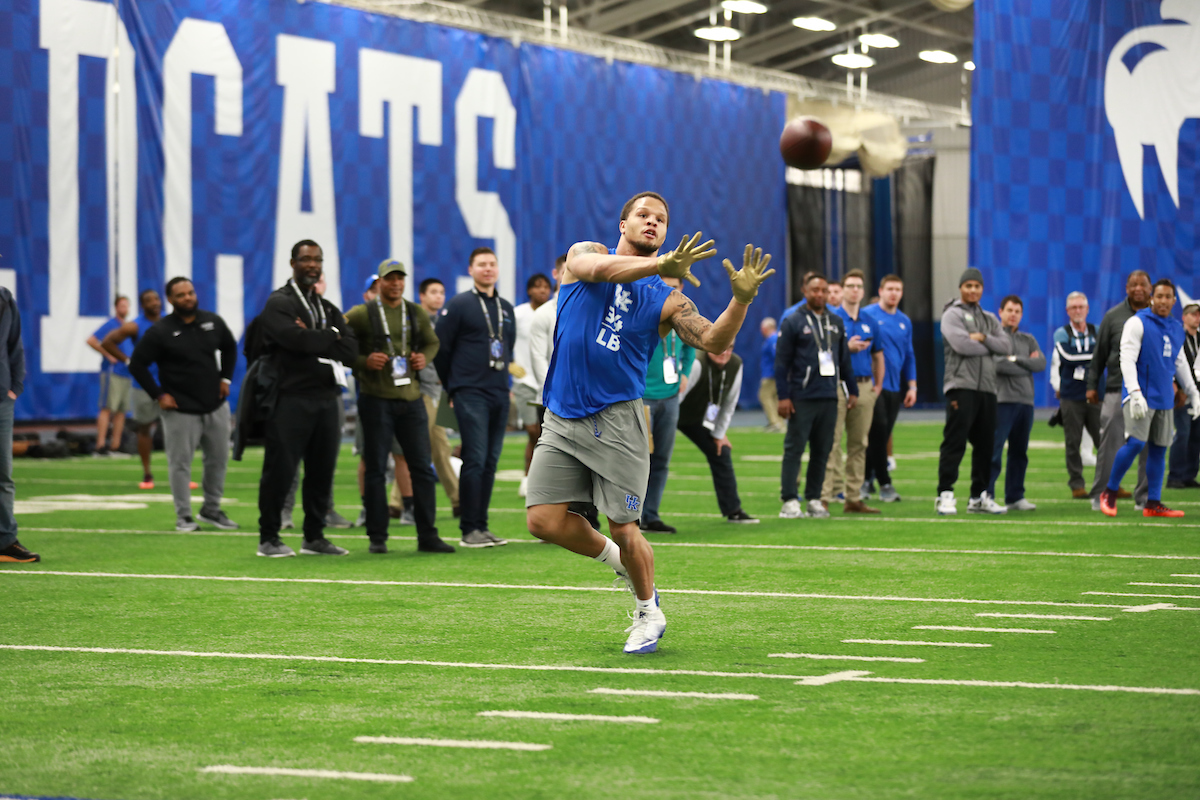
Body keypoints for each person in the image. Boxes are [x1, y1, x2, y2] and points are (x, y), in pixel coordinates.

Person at [525, 190, 773, 655]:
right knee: (542, 520)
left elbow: (714, 339)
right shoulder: (587, 254)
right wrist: (662, 265)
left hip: (618, 419)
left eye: (660, 218)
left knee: (625, 525)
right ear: (623, 225)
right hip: (560, 413)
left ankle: (647, 611)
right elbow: (598, 272)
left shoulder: (668, 298)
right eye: (643, 215)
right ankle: (620, 562)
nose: (652, 222)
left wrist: (740, 300)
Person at [255, 240, 359, 557]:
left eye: (317, 259)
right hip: (290, 397)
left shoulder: (324, 306)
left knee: (322, 470)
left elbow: (351, 351)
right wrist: (329, 336)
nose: (313, 265)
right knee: (281, 470)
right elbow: (293, 339)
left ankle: (314, 535)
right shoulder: (280, 303)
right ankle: (268, 537)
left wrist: (317, 338)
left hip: (327, 398)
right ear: (292, 263)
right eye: (306, 259)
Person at [345, 260, 453, 554]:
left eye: (399, 279)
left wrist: (423, 359)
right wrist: (362, 361)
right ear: (378, 283)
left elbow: (432, 343)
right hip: (376, 399)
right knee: (376, 468)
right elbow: (340, 343)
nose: (395, 284)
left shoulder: (413, 311)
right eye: (389, 279)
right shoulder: (362, 314)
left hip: (411, 399)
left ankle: (427, 535)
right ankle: (377, 536)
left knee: (421, 467)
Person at [127, 278, 239, 531]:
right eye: (181, 295)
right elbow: (137, 364)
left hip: (215, 404)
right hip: (180, 409)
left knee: (218, 459)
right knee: (180, 463)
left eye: (190, 293)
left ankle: (211, 510)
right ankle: (184, 516)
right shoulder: (160, 331)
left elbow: (230, 348)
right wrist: (158, 395)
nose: (187, 298)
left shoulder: (212, 321)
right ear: (170, 300)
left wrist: (226, 378)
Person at [433, 247, 517, 549]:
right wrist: (453, 386)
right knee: (475, 457)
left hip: (498, 390)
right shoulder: (458, 305)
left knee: (491, 461)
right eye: (481, 264)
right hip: (469, 391)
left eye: (492, 264)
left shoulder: (506, 308)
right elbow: (441, 350)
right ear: (471, 270)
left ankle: (482, 525)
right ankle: (469, 529)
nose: (487, 269)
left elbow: (508, 347)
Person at [1100, 279, 1200, 517]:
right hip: (1140, 397)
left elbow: (1179, 362)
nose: (1163, 301)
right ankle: (1109, 492)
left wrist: (1194, 391)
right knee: (1135, 443)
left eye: (1168, 297)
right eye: (1160, 296)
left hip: (1164, 397)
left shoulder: (1176, 327)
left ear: (1174, 301)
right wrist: (1134, 392)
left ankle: (1152, 503)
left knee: (1159, 449)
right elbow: (1126, 358)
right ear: (1151, 298)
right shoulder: (1137, 323)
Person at [776, 273, 857, 520]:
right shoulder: (792, 321)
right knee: (795, 449)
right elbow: (781, 363)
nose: (820, 294)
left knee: (823, 450)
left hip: (829, 396)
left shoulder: (836, 321)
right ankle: (789, 500)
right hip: (802, 396)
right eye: (815, 290)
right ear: (805, 291)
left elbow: (844, 359)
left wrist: (852, 389)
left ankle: (814, 499)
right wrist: (783, 396)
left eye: (823, 290)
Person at [934, 268, 1012, 515]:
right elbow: (961, 345)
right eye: (968, 285)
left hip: (988, 388)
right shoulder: (951, 314)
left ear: (982, 289)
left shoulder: (989, 318)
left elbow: (1005, 345)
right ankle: (945, 494)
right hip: (961, 387)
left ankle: (978, 497)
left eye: (977, 286)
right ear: (961, 288)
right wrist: (989, 345)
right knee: (955, 442)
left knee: (986, 445)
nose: (973, 290)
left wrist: (982, 339)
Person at [1088, 271, 1153, 510]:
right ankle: (1100, 494)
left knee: (1150, 445)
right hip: (1117, 388)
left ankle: (1145, 497)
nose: (1138, 288)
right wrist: (1091, 386)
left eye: (1142, 284)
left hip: (1150, 391)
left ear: (1150, 288)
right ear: (1126, 288)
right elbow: (1099, 355)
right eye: (1133, 284)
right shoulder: (1113, 316)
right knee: (1110, 444)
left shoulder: (1159, 317)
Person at [821, 269, 884, 513]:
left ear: (863, 291)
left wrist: (877, 387)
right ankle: (824, 497)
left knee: (859, 444)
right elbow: (823, 354)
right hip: (837, 385)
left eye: (859, 286)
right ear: (843, 290)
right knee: (831, 442)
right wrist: (846, 348)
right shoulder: (831, 318)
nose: (855, 290)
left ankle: (853, 497)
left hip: (864, 385)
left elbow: (879, 355)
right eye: (850, 286)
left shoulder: (870, 321)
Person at [639, 275, 695, 534]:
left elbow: (691, 346)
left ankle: (650, 514)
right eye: (666, 284)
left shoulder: (685, 313)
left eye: (676, 285)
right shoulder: (645, 310)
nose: (671, 289)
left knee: (661, 459)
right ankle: (631, 515)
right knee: (639, 460)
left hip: (670, 397)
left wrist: (684, 373)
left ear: (682, 288)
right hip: (643, 397)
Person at [678, 345, 756, 522]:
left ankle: (733, 510)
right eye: (720, 347)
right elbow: (677, 398)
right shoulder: (697, 363)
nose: (725, 353)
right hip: (672, 413)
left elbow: (730, 403)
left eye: (729, 348)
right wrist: (661, 430)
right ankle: (646, 516)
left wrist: (719, 434)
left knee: (721, 451)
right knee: (654, 458)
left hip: (698, 419)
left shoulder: (735, 364)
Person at [102, 289, 167, 489]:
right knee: (145, 429)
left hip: (169, 384)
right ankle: (147, 473)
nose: (154, 303)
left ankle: (180, 474)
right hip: (143, 385)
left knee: (177, 430)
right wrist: (128, 360)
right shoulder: (135, 326)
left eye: (156, 299)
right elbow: (107, 342)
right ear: (142, 305)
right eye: (149, 300)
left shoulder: (170, 321)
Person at [862, 274, 917, 503]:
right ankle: (884, 483)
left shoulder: (904, 321)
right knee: (879, 431)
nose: (894, 293)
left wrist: (912, 386)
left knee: (881, 436)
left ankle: (866, 480)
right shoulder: (867, 315)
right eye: (890, 289)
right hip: (874, 386)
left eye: (898, 289)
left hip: (895, 386)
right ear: (881, 290)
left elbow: (910, 355)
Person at [989, 295, 1046, 511]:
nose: (1013, 315)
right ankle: (987, 494)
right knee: (995, 451)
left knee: (1019, 452)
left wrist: (1015, 360)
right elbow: (997, 366)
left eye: (1017, 312)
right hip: (1003, 401)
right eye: (1009, 310)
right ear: (1000, 312)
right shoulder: (994, 338)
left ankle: (1014, 496)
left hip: (1026, 402)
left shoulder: (1028, 339)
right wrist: (1025, 364)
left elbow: (1040, 363)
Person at [1050, 291, 1102, 498]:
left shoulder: (1097, 330)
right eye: (1074, 307)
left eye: (1081, 307)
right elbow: (1068, 358)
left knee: (1103, 440)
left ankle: (1109, 483)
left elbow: (1106, 355)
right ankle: (1077, 485)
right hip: (1071, 395)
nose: (1078, 311)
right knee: (1073, 441)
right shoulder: (1062, 333)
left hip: (1095, 394)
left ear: (1088, 309)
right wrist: (1094, 357)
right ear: (1067, 311)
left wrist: (1094, 358)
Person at [416, 277, 460, 516]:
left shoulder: (444, 321)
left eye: (442, 292)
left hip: (441, 390)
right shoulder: (414, 320)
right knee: (432, 445)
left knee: (437, 445)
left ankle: (397, 502)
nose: (439, 296)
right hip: (422, 389)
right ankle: (457, 499)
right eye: (433, 292)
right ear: (422, 295)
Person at [0, 283, 34, 564]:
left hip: (1, 398)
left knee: (3, 474)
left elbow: (15, 344)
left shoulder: (5, 298)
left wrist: (14, 387)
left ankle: (5, 540)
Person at [513, 273, 553, 497]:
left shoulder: (553, 312)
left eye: (545, 286)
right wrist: (510, 365)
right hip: (525, 381)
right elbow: (503, 340)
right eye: (537, 286)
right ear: (528, 290)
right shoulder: (519, 314)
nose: (542, 290)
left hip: (548, 382)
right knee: (532, 430)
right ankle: (527, 477)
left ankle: (543, 480)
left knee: (548, 435)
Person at [87, 295, 131, 456]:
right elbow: (91, 340)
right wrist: (108, 354)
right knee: (107, 408)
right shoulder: (111, 325)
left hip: (126, 372)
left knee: (122, 410)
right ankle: (100, 445)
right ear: (116, 308)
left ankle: (115, 445)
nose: (124, 309)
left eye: (127, 306)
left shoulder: (126, 327)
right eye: (122, 306)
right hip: (112, 372)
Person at [1167, 302, 1200, 489]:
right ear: (1184, 317)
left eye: (1198, 315)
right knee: (1183, 434)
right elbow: (1173, 362)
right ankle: (1175, 476)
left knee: (1196, 436)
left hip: (1198, 394)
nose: (1196, 318)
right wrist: (1176, 387)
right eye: (1193, 314)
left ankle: (1189, 475)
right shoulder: (1176, 336)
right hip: (1182, 393)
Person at [758, 317, 786, 433]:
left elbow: (778, 356)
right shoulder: (775, 338)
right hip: (772, 374)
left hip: (771, 375)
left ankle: (775, 423)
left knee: (764, 396)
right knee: (774, 399)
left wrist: (778, 372)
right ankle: (779, 423)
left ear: (765, 328)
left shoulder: (772, 339)